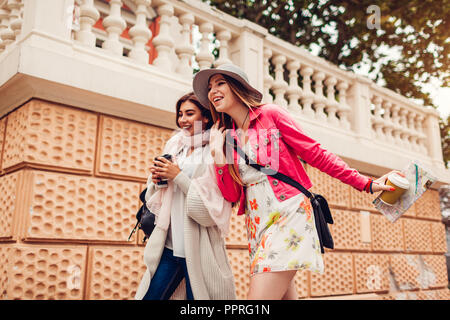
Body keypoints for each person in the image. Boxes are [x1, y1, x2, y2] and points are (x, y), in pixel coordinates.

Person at [192, 64, 404, 300]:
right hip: (257, 223)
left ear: (238, 87)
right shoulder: (225, 136)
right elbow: (232, 196)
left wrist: (365, 183)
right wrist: (217, 155)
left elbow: (316, 153)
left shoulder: (270, 115)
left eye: (220, 83)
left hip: (289, 212)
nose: (213, 91)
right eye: (210, 87)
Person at [134, 92, 236, 300]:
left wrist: (178, 176)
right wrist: (157, 179)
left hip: (199, 249)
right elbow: (154, 194)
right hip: (170, 245)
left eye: (190, 113)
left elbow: (210, 207)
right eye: (180, 114)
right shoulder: (175, 144)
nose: (183, 120)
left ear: (206, 116)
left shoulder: (214, 149)